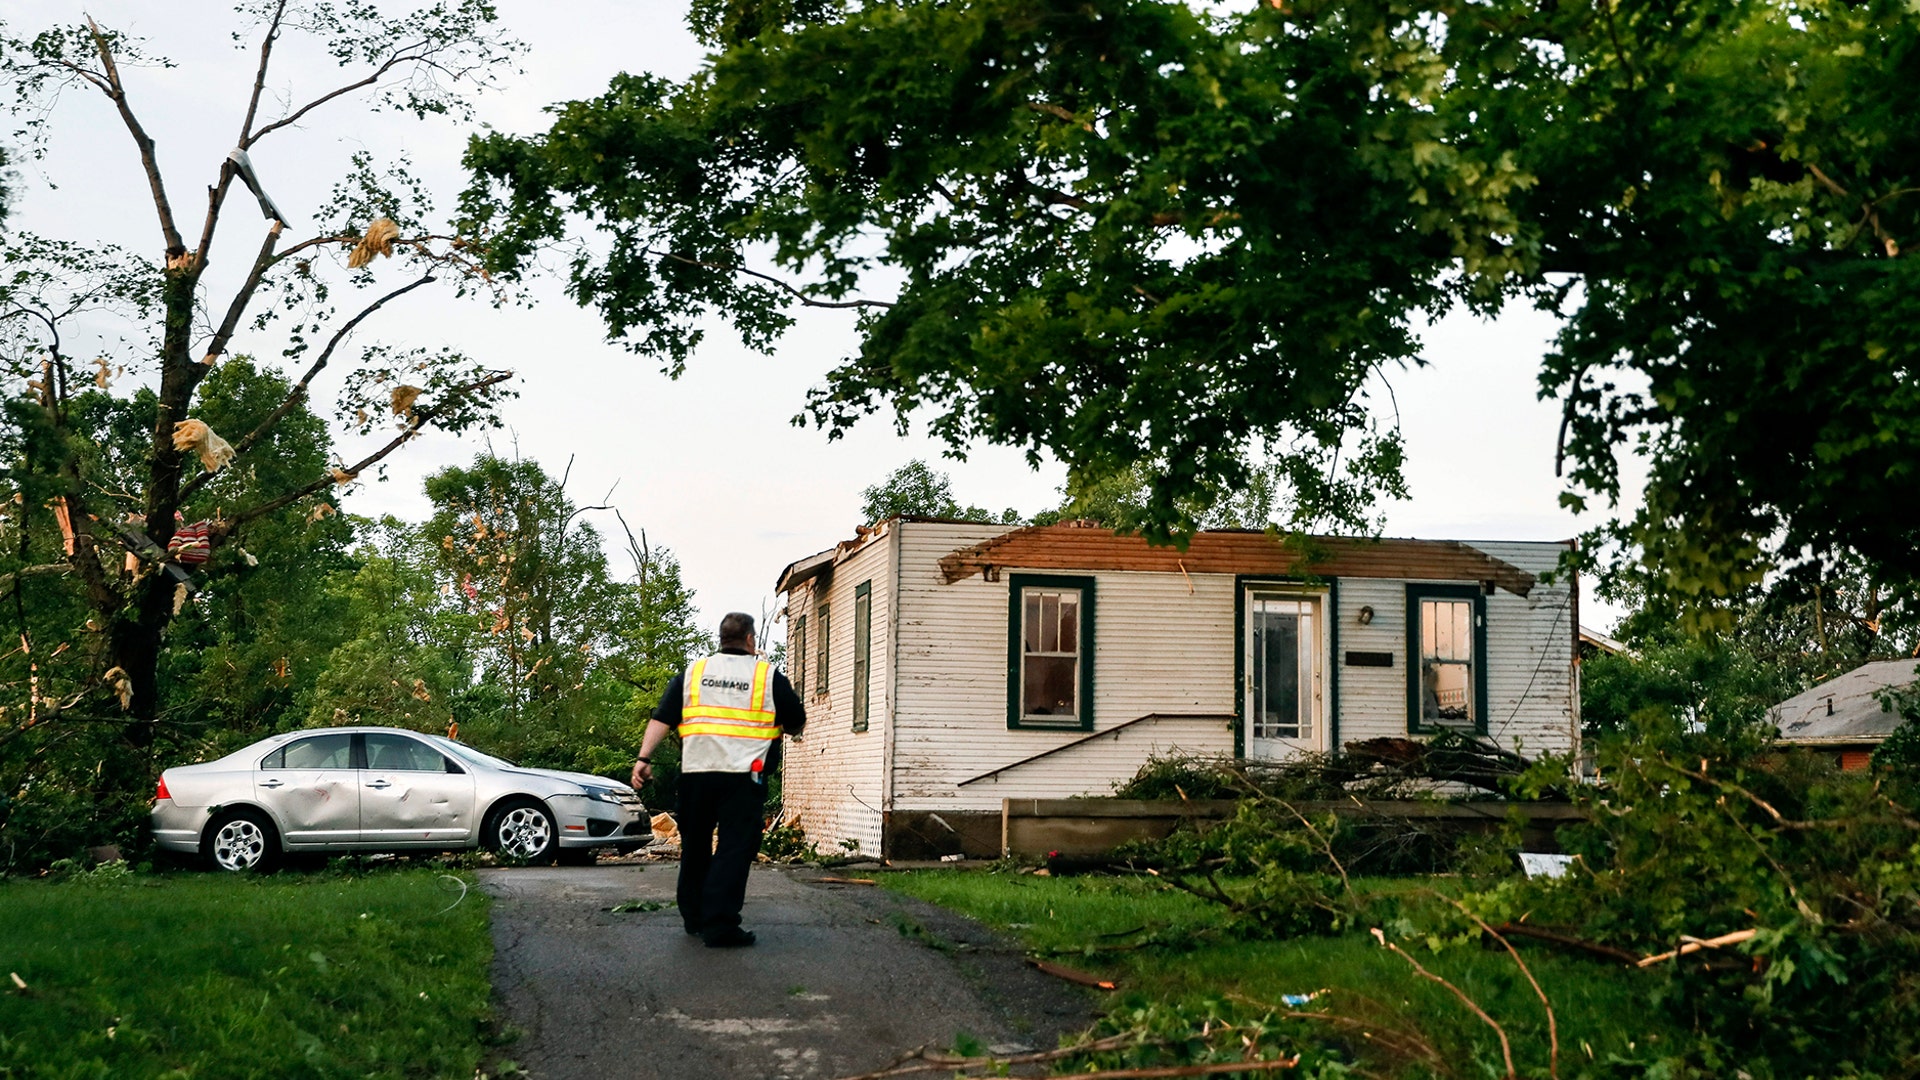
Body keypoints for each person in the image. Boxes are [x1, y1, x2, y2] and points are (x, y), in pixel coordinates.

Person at [632, 612, 805, 948]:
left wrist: (643, 759)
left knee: (695, 847)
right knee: (734, 849)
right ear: (751, 640)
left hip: (697, 775)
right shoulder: (767, 676)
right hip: (743, 778)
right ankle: (720, 925)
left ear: (721, 639)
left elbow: (662, 718)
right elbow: (796, 721)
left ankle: (694, 917)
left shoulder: (694, 673)